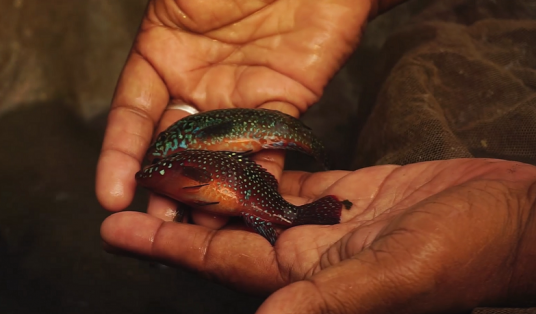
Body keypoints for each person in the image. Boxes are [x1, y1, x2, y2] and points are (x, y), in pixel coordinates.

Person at [96, 0, 536, 313]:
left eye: (157, 165)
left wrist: (518, 231)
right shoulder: (185, 161)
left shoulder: (185, 161)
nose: (149, 171)